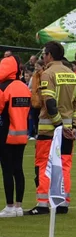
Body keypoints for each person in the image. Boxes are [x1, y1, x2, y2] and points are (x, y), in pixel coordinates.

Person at [27, 42, 76, 215]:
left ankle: (43, 203)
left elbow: (49, 102)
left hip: (49, 130)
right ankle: (63, 202)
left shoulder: (47, 73)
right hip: (68, 130)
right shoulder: (72, 74)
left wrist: (58, 125)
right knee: (64, 165)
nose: (43, 57)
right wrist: (74, 126)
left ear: (49, 55)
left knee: (43, 164)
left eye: (44, 54)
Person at [0, 56, 31, 217]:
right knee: (18, 169)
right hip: (22, 133)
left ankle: (9, 206)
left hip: (4, 133)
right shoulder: (24, 87)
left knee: (6, 170)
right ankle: (18, 206)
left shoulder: (3, 87)